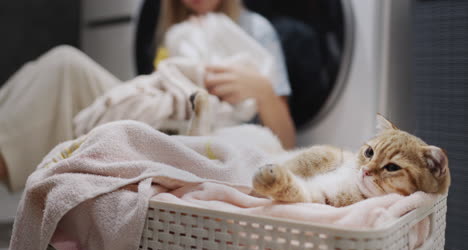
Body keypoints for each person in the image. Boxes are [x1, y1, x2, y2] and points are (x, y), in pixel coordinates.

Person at [0, 0, 295, 192]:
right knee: (59, 67)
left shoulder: (255, 30)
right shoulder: (172, 31)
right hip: (162, 127)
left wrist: (263, 92)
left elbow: (288, 144)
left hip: (201, 143)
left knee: (64, 65)